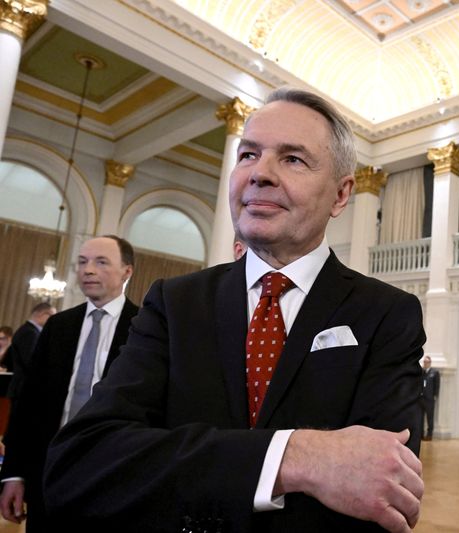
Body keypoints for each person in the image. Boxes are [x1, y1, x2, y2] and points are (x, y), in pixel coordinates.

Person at [44, 87, 426, 533]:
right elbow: (83, 462)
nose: (259, 174)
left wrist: (183, 467)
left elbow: (384, 487)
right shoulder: (174, 301)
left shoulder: (386, 313)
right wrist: (295, 458)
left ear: (341, 195)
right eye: (248, 154)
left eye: (293, 159)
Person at [0, 235, 139, 532]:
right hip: (49, 472)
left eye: (101, 262)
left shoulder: (144, 328)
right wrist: (14, 474)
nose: (88, 270)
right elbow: (28, 404)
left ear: (127, 271)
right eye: (82, 262)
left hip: (113, 477)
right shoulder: (58, 326)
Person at [4, 303, 56, 394]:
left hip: (23, 386)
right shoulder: (30, 332)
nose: (54, 320)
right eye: (52, 316)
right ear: (42, 314)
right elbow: (30, 361)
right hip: (24, 388)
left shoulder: (28, 330)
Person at [420, 355, 440, 441]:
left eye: (427, 362)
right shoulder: (421, 372)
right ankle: (420, 434)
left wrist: (435, 395)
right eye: (424, 362)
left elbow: (437, 385)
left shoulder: (434, 372)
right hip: (421, 398)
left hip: (430, 399)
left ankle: (429, 435)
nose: (425, 363)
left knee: (430, 417)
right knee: (420, 418)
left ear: (430, 363)